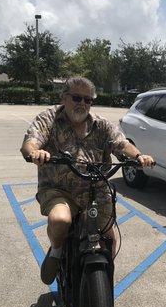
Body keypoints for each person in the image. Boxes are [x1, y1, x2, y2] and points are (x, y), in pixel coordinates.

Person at [21, 77, 155, 285]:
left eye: (88, 100)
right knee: (60, 221)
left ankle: (101, 282)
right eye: (76, 98)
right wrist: (35, 152)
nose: (82, 103)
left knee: (109, 239)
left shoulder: (101, 124)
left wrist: (138, 156)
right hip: (58, 189)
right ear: (64, 98)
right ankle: (56, 252)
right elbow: (31, 141)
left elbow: (120, 143)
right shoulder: (49, 118)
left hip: (95, 187)